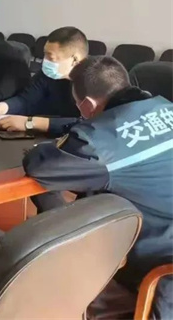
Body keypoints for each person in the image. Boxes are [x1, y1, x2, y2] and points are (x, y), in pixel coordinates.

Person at [23, 56, 173, 318]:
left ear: (88, 104)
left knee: (49, 188)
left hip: (158, 266)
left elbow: (42, 166)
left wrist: (38, 147)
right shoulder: (164, 106)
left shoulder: (99, 144)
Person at [0, 26, 88, 135]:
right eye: (44, 55)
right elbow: (26, 99)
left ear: (75, 59)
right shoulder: (46, 75)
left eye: (50, 57)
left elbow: (88, 124)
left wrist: (30, 123)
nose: (45, 61)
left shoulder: (93, 82)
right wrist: (3, 107)